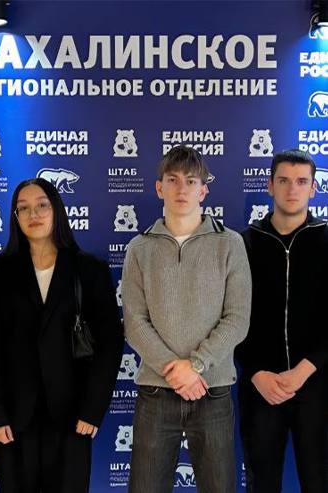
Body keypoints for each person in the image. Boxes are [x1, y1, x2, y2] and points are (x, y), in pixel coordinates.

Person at [0, 178, 124, 493]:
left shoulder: (89, 269)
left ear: (56, 209)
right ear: (15, 217)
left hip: (73, 416)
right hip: (14, 419)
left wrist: (93, 409)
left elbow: (110, 344)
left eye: (42, 205)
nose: (34, 214)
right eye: (24, 208)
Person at [122, 145, 251, 493]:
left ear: (203, 190)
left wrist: (195, 366)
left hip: (212, 388)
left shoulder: (230, 244)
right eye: (173, 180)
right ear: (159, 187)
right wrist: (174, 370)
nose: (182, 189)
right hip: (156, 391)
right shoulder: (139, 248)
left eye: (191, 181)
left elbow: (237, 318)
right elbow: (135, 322)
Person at [236, 149, 328, 493]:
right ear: (270, 185)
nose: (293, 189)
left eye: (302, 181)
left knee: (318, 480)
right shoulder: (243, 244)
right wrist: (255, 371)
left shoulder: (326, 239)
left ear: (314, 188)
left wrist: (305, 369)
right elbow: (230, 317)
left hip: (315, 384)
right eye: (284, 180)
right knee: (261, 483)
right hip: (261, 385)